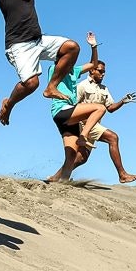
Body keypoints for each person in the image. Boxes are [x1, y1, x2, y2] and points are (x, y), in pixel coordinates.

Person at [44, 32, 109, 183]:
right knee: (99, 108)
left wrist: (93, 46)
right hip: (62, 110)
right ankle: (83, 136)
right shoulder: (56, 69)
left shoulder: (75, 71)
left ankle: (61, 182)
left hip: (67, 118)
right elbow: (61, 62)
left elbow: (93, 64)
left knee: (71, 156)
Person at [74, 60, 136, 183]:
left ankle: (60, 176)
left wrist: (122, 101)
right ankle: (122, 175)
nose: (103, 74)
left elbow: (110, 108)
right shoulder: (82, 86)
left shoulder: (104, 89)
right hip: (84, 124)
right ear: (91, 70)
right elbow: (74, 107)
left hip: (94, 125)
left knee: (81, 159)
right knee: (113, 138)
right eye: (100, 71)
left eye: (104, 72)